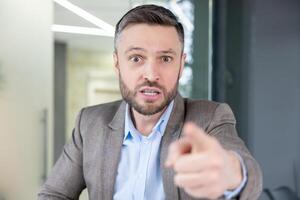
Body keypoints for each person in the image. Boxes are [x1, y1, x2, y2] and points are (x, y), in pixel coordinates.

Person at [38, 4, 262, 200]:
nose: (151, 74)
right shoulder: (90, 123)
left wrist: (232, 173)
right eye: (136, 58)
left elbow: (247, 173)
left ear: (181, 65)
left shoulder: (210, 117)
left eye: (165, 59)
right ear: (117, 64)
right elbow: (54, 194)